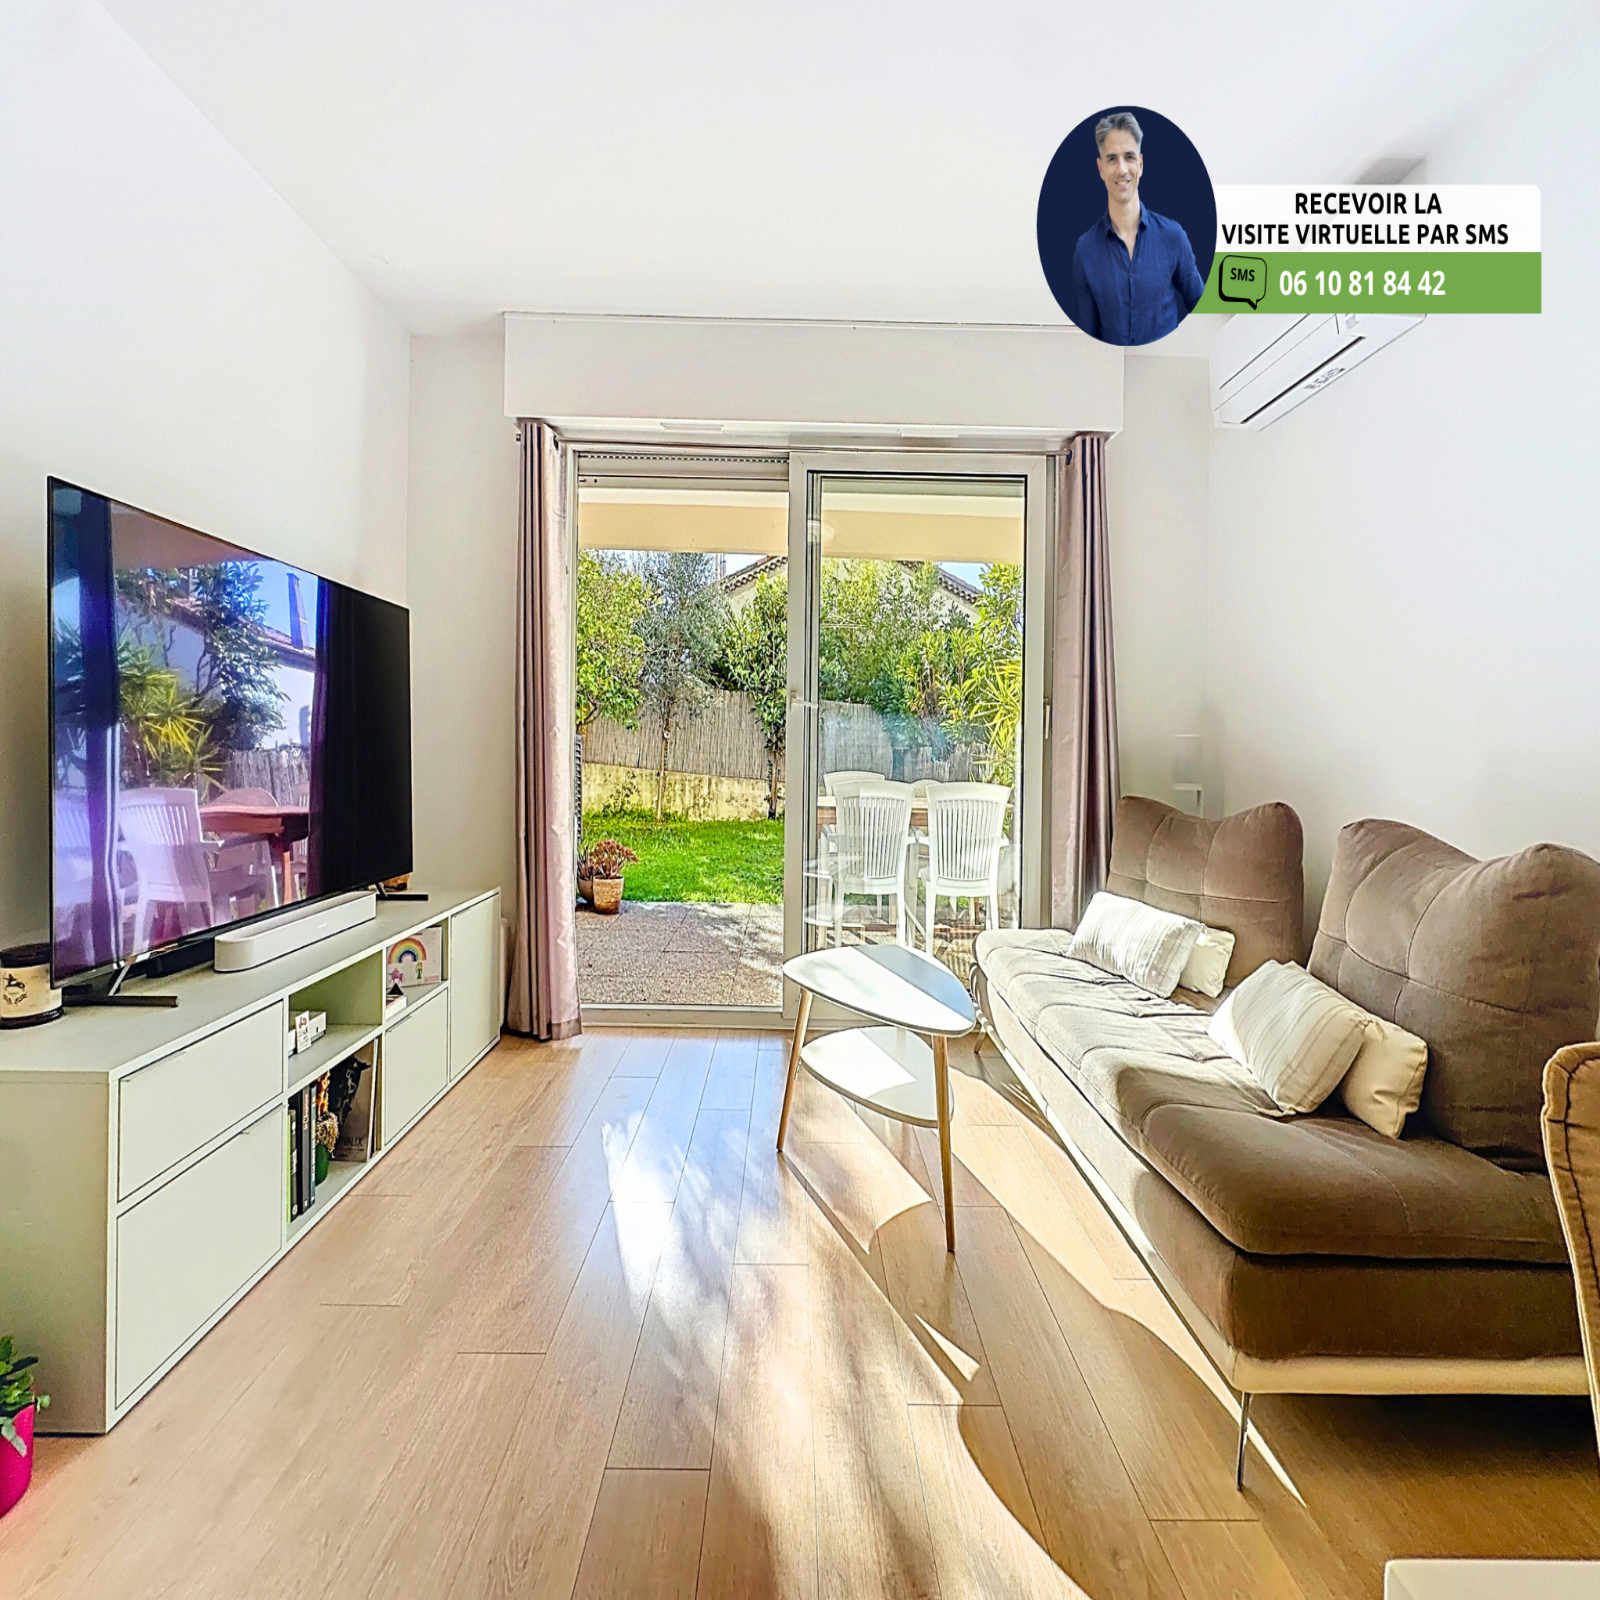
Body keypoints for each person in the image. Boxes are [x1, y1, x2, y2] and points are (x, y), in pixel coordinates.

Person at [1070, 111, 1204, 346]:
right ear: (1101, 169)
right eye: (1112, 159)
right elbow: (1087, 341)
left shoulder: (1173, 237)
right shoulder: (1085, 250)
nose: (1122, 169)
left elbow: (1203, 310)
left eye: (1129, 157)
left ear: (1140, 164)